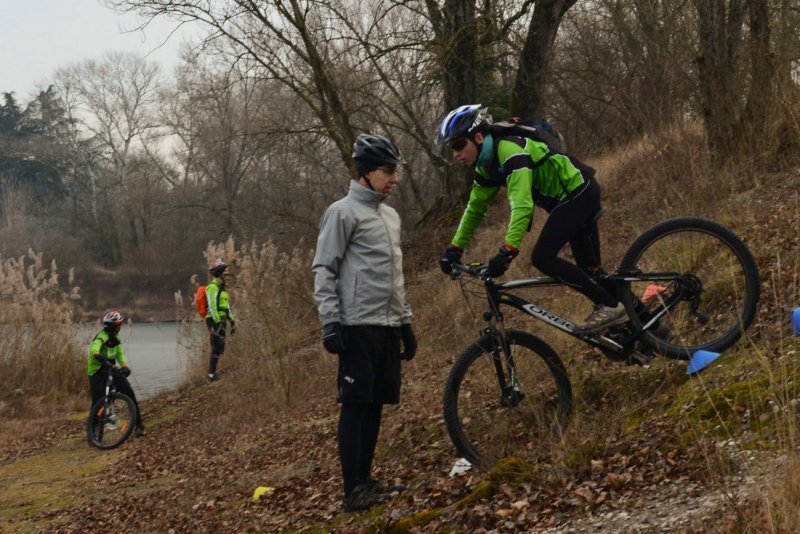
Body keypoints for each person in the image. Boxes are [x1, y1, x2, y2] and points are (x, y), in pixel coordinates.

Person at [436, 104, 626, 333]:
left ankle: (609, 307)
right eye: (451, 149)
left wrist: (507, 251)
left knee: (543, 257)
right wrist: (454, 249)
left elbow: (521, 205)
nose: (456, 154)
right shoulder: (485, 167)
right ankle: (650, 329)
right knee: (593, 277)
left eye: (458, 145)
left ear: (478, 137)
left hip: (578, 192)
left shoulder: (509, 152)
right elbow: (475, 209)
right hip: (566, 200)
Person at [312, 133, 418, 513]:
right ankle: (351, 490)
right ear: (365, 173)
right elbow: (325, 268)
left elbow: (394, 273)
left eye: (395, 171)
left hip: (387, 324)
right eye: (387, 171)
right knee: (356, 405)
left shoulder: (389, 215)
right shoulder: (341, 212)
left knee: (375, 404)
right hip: (356, 325)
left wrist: (404, 321)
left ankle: (366, 480)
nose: (394, 179)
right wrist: (330, 322)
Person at [87, 310, 145, 437]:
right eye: (119, 324)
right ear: (113, 326)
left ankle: (138, 426)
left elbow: (119, 353)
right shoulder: (102, 336)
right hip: (96, 371)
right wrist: (99, 356)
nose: (120, 326)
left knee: (128, 392)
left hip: (110, 368)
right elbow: (94, 348)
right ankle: (94, 434)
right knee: (98, 401)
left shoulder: (116, 337)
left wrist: (124, 366)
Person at [205, 259, 236, 381]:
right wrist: (217, 321)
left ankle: (213, 373)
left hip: (222, 319)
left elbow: (226, 306)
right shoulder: (212, 287)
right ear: (219, 273)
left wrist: (232, 321)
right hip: (214, 320)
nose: (227, 275)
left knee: (220, 347)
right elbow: (212, 306)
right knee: (216, 347)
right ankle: (211, 375)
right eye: (225, 273)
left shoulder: (222, 288)